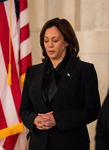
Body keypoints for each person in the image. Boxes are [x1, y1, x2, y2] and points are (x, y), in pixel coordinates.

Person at [19, 18, 101, 150]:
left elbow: (93, 110)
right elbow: (24, 109)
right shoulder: (32, 72)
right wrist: (34, 120)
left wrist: (58, 119)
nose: (49, 45)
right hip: (39, 144)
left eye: (55, 40)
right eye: (46, 40)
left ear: (67, 41)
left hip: (71, 144)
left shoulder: (84, 70)